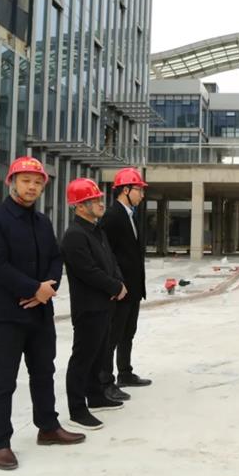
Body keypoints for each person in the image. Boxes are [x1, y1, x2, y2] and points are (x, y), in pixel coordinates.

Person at [0, 156, 85, 471]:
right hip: (4, 314)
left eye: (37, 183)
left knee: (43, 372)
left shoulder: (42, 222)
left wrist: (46, 289)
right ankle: (0, 443)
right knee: (3, 380)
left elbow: (55, 258)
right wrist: (33, 289)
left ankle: (48, 427)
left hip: (39, 312)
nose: (32, 187)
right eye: (26, 181)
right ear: (11, 182)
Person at [60, 178, 127, 430]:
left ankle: (96, 396)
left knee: (99, 354)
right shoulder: (74, 236)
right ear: (79, 206)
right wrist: (114, 287)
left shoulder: (97, 231)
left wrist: (119, 282)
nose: (101, 204)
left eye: (99, 199)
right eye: (94, 200)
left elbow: (111, 261)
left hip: (105, 304)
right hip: (88, 307)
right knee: (83, 357)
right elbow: (88, 271)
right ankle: (77, 410)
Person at [99, 167, 151, 401]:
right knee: (112, 336)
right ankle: (105, 381)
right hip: (120, 289)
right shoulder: (112, 216)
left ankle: (125, 372)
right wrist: (114, 284)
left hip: (133, 288)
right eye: (139, 190)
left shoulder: (131, 215)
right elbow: (106, 253)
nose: (142, 194)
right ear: (126, 190)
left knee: (128, 332)